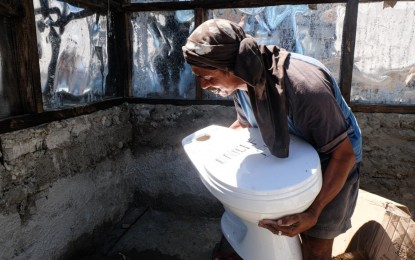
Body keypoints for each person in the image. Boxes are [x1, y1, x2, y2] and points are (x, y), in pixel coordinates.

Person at [182, 19, 362, 260]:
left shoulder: (303, 88)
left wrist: (314, 210)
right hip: (289, 156)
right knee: (275, 233)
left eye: (208, 78)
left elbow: (344, 155)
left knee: (315, 245)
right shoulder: (242, 81)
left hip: (333, 159)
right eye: (198, 78)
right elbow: (246, 124)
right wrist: (218, 152)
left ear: (230, 67)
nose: (203, 86)